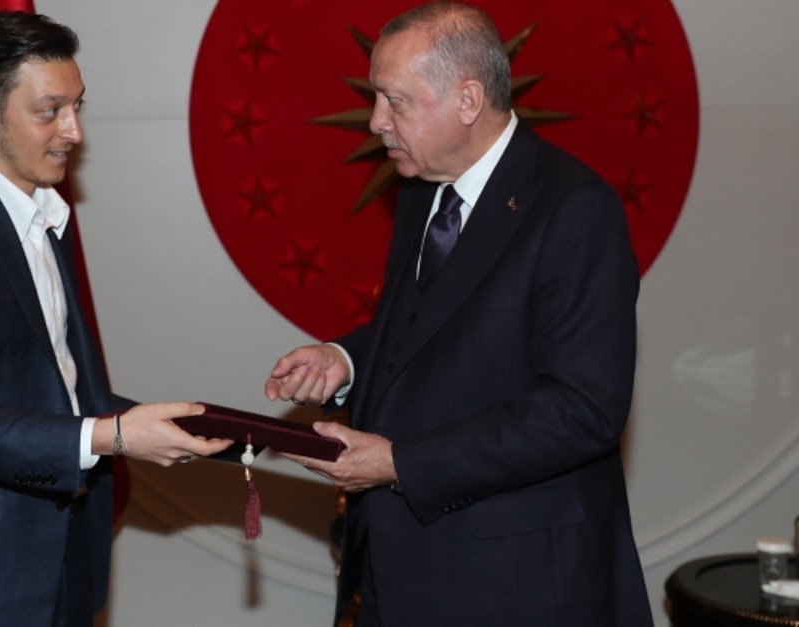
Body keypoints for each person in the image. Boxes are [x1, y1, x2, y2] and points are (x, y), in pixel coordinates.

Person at [264, 3, 653, 625]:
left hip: (517, 585)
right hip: (405, 571)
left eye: (395, 101)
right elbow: (432, 336)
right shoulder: (424, 191)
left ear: (467, 100)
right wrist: (344, 360)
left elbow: (585, 410)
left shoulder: (575, 209)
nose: (376, 122)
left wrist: (399, 462)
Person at [0, 11, 230, 626]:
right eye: (50, 111)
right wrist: (114, 436)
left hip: (66, 560)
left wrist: (211, 429)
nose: (74, 131)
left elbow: (56, 389)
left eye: (78, 107)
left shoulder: (44, 219)